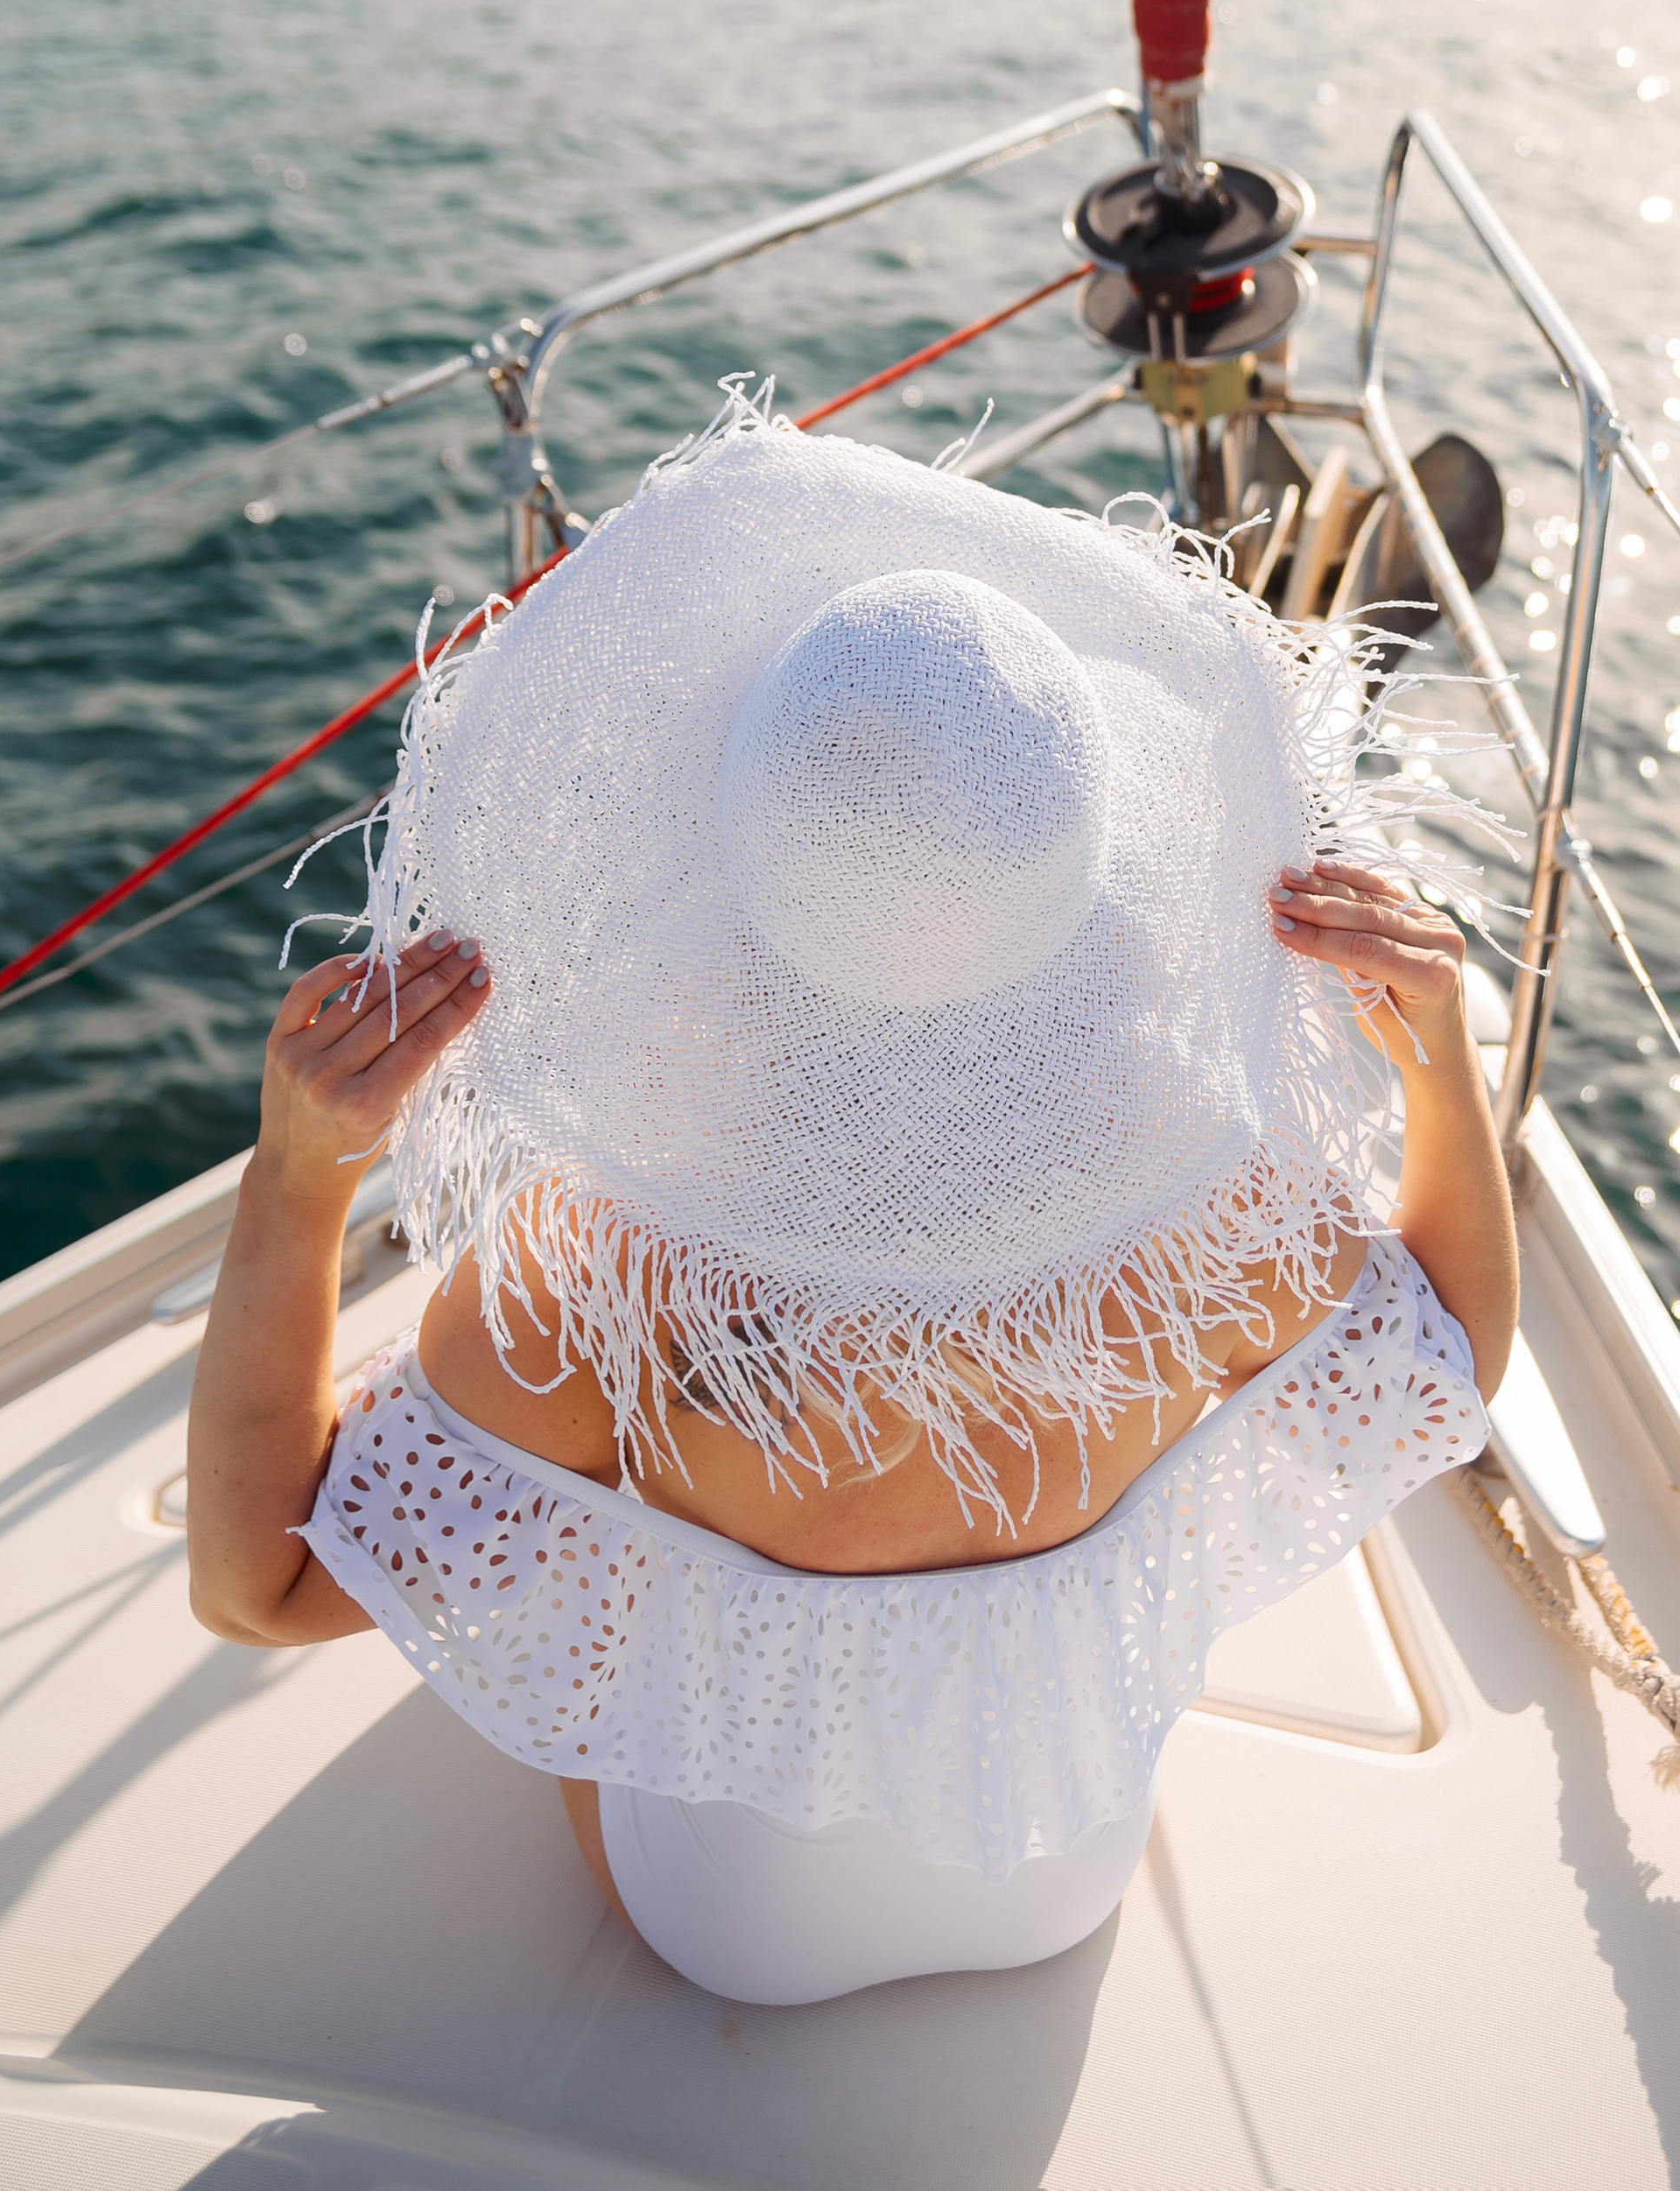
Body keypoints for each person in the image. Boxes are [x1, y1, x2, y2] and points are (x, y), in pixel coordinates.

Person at [187, 395, 1515, 2008]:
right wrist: (1435, 1056)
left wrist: (299, 1181)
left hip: (741, 1934)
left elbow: (257, 1589)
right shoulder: (1208, 1213)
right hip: (1064, 1869)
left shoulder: (614, 1278)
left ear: (715, 890)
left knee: (574, 1590)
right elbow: (1454, 1349)